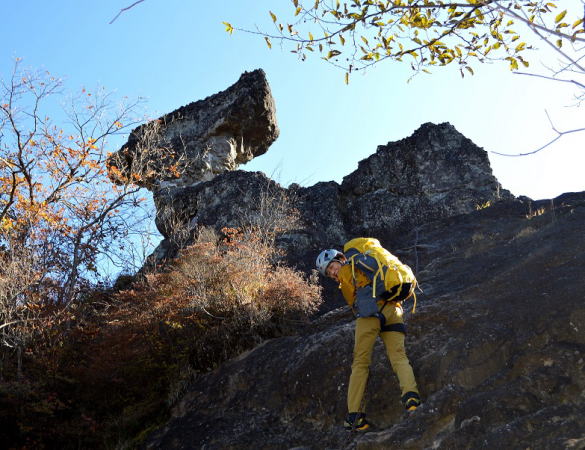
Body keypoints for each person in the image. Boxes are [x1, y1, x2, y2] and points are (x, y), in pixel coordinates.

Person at [316, 239, 421, 432]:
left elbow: (352, 300)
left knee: (361, 363)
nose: (332, 272)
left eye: (332, 266)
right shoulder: (370, 260)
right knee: (399, 357)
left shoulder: (349, 269)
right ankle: (411, 398)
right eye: (329, 273)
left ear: (341, 258)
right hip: (394, 310)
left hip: (370, 315)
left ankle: (354, 416)